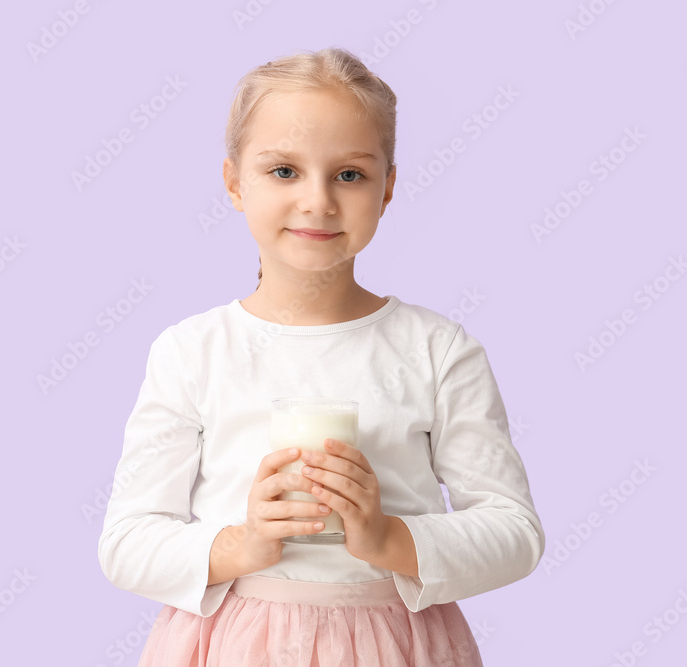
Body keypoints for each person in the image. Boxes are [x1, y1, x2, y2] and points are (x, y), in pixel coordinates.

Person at [97, 46, 545, 666]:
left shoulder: (438, 352)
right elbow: (127, 542)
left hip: (394, 644)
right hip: (233, 645)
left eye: (350, 174)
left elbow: (514, 533)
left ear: (387, 188)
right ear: (234, 183)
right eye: (283, 170)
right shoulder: (192, 352)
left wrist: (389, 537)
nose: (317, 201)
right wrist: (242, 544)